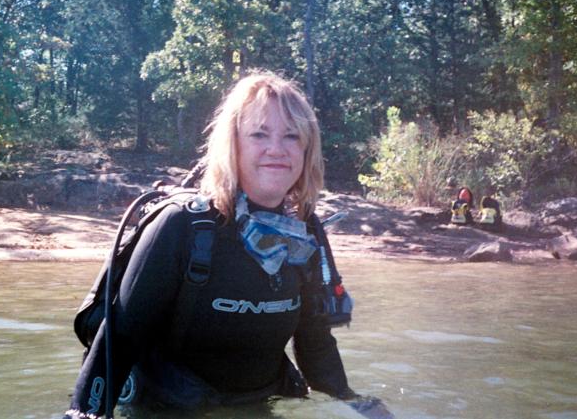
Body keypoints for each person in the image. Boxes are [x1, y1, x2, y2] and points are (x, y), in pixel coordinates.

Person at [63, 72, 379, 418]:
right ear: (232, 144)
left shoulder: (304, 235)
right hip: (164, 410)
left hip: (257, 409)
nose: (277, 149)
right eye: (260, 134)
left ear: (307, 149)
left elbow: (316, 349)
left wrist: (358, 404)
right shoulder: (181, 227)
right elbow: (113, 350)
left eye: (292, 136)